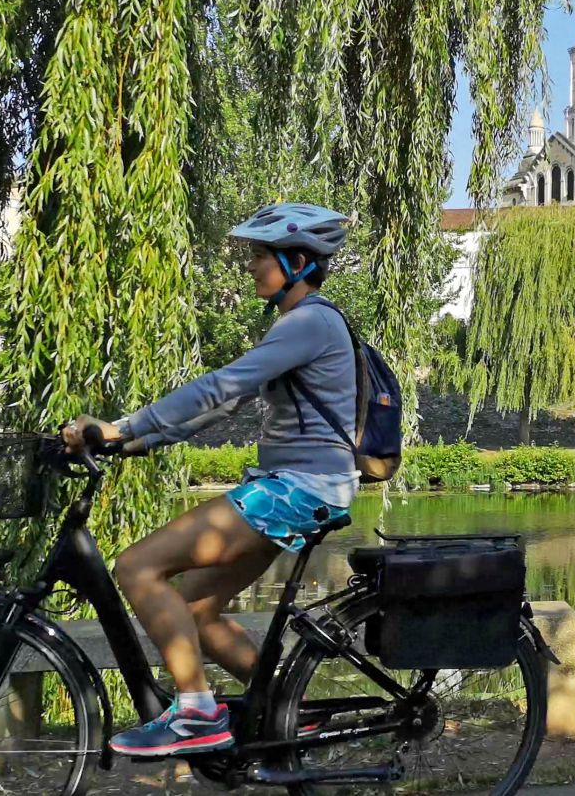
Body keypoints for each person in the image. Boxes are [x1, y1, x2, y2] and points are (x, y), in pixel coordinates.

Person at [62, 202, 358, 758]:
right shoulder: (297, 325)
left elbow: (221, 385)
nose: (250, 266)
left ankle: (196, 714)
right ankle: (283, 708)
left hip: (299, 488)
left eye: (259, 256)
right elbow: (222, 408)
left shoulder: (311, 322)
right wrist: (131, 442)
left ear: (296, 263)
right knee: (196, 610)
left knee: (137, 566)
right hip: (301, 487)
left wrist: (123, 424)